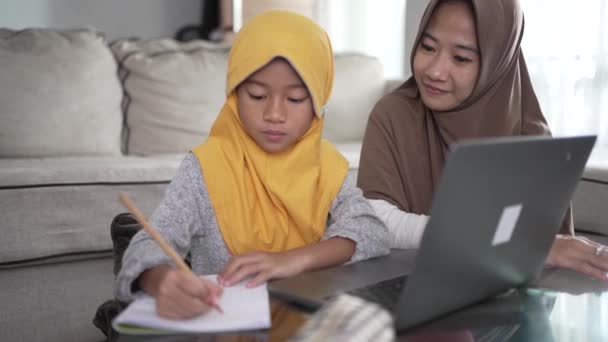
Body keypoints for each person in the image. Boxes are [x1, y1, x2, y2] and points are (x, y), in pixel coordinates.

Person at [115, 10, 390, 319]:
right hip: (225, 329)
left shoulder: (325, 167)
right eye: (257, 95)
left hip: (309, 327)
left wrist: (291, 260)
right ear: (234, 94)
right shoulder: (205, 167)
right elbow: (149, 244)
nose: (274, 113)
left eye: (296, 99)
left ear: (317, 104)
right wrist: (161, 280)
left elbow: (372, 231)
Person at [357, 0, 608, 281]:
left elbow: (551, 253)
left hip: (504, 297)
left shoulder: (530, 136)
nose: (435, 71)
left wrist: (522, 246)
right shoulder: (393, 113)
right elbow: (375, 219)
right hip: (406, 284)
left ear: (496, 64)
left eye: (461, 58)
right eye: (428, 47)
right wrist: (515, 244)